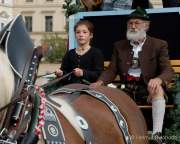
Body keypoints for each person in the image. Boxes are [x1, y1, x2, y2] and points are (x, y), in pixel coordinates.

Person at [91, 7, 174, 139]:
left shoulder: (159, 44)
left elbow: (168, 70)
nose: (133, 26)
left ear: (146, 26)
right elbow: (112, 70)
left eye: (137, 23)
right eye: (130, 23)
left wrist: (158, 80)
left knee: (157, 89)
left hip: (148, 88)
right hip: (126, 88)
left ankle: (157, 134)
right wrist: (100, 82)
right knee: (102, 93)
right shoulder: (119, 45)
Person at [55, 20, 104, 84]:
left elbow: (99, 74)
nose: (81, 35)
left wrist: (83, 73)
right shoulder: (69, 54)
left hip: (90, 88)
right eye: (78, 32)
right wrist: (61, 73)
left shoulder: (96, 53)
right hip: (71, 88)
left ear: (91, 35)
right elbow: (65, 74)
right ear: (75, 35)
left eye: (84, 32)